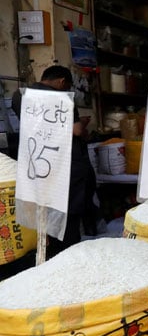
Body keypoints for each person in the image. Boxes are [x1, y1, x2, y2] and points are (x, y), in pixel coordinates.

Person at [11, 65, 98, 258]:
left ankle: (46, 255)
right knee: (69, 216)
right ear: (61, 82)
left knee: (43, 211)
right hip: (65, 165)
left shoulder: (19, 96)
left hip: (36, 162)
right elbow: (75, 131)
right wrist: (82, 125)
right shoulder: (62, 99)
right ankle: (67, 257)